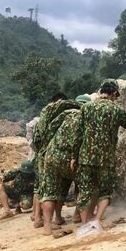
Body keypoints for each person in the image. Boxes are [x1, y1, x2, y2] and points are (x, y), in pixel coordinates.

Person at [77, 79, 126, 225]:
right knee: (105, 191)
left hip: (85, 158)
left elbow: (78, 134)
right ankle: (96, 222)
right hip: (105, 159)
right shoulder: (116, 110)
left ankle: (84, 224)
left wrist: (74, 156)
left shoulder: (86, 108)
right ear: (114, 93)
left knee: (84, 192)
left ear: (101, 91)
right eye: (117, 95)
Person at [32, 93, 81, 229]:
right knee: (78, 185)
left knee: (47, 191)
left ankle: (44, 222)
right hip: (69, 157)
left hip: (48, 155)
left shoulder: (46, 115)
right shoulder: (79, 115)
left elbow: (36, 140)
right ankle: (75, 215)